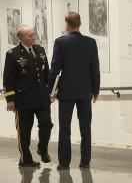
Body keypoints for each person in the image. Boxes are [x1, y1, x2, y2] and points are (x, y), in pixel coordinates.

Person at [49, 12, 100, 170]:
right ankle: (85, 161)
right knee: (86, 127)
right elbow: (95, 68)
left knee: (64, 128)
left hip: (66, 91)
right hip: (85, 91)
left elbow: (55, 69)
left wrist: (49, 90)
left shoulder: (60, 42)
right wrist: (95, 89)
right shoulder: (90, 42)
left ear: (67, 25)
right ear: (79, 24)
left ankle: (64, 163)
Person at [3, 25, 53, 167]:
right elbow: (8, 79)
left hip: (42, 97)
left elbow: (46, 74)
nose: (33, 37)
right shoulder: (13, 54)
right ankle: (25, 158)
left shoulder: (40, 50)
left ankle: (42, 149)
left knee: (46, 124)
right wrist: (10, 99)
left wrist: (50, 91)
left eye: (33, 34)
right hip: (23, 99)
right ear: (21, 37)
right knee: (24, 130)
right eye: (30, 35)